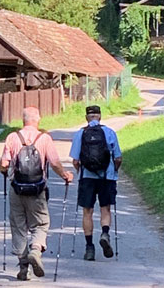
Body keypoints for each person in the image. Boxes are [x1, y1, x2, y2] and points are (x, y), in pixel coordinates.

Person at [0, 107, 73, 281]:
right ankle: (36, 249)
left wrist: (3, 170)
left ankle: (24, 266)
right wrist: (66, 176)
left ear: (23, 120)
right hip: (37, 190)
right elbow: (54, 162)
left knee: (18, 226)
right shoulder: (44, 138)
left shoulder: (12, 137)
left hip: (17, 189)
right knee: (41, 223)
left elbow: (4, 163)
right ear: (38, 119)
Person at [69, 105, 122, 261]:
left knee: (87, 212)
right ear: (100, 117)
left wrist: (81, 172)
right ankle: (105, 233)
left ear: (87, 117)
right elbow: (118, 158)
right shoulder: (110, 132)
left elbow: (75, 160)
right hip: (107, 177)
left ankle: (89, 248)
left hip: (87, 177)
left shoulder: (81, 133)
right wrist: (114, 171)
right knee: (105, 209)